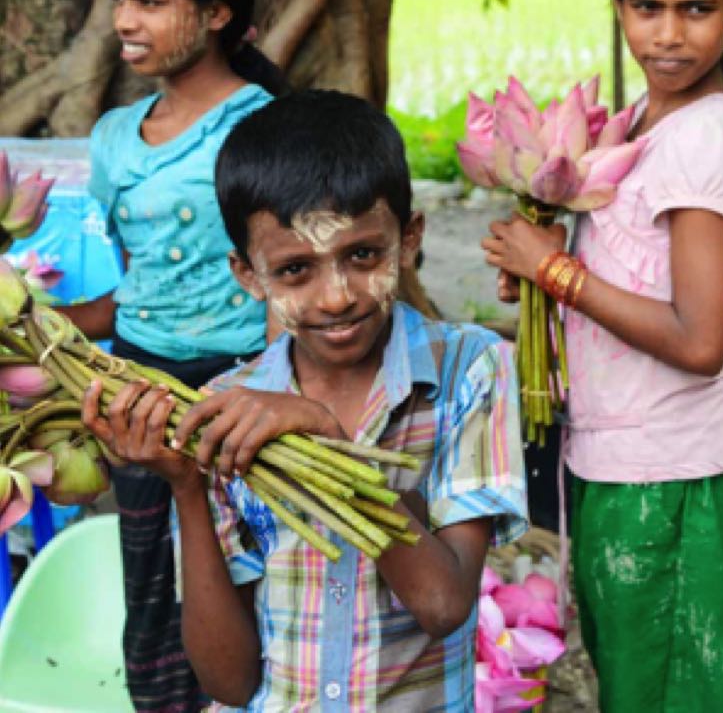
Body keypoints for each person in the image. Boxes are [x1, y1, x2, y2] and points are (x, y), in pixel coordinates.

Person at [81, 89, 529, 710]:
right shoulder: (223, 411)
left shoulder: (468, 370)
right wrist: (185, 486)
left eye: (363, 255)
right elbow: (229, 682)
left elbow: (442, 605)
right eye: (295, 270)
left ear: (410, 238)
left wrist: (333, 446)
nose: (337, 296)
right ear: (247, 275)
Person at [481, 0, 723, 710]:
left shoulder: (701, 139)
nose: (669, 35)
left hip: (670, 485)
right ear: (618, 3)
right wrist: (543, 284)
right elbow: (631, 276)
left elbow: (701, 339)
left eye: (697, 9)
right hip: (617, 469)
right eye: (649, 7)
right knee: (633, 684)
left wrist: (562, 274)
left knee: (666, 693)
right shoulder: (643, 121)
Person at [59, 0, 287, 709]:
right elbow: (142, 287)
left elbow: (284, 282)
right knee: (154, 593)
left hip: (238, 396)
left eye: (150, 0)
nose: (124, 20)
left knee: (246, 582)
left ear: (218, 12)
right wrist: (45, 326)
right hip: (138, 399)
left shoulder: (261, 130)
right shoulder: (116, 135)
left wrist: (275, 394)